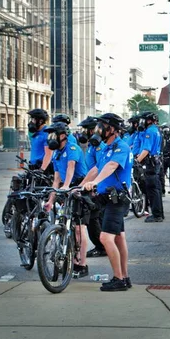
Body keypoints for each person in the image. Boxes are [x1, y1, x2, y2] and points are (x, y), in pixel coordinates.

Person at [83, 113, 133, 291]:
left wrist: (95, 183)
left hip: (117, 199)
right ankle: (125, 277)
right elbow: (97, 168)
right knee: (119, 238)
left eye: (102, 126)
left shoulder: (121, 147)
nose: (98, 130)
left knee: (105, 237)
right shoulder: (106, 147)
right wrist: (79, 186)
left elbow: (111, 167)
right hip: (108, 198)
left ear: (112, 129)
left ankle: (118, 279)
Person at [42, 122, 89, 278]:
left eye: (53, 134)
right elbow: (56, 179)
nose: (50, 138)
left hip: (79, 187)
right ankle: (68, 255)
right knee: (63, 221)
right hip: (65, 188)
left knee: (79, 228)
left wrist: (68, 185)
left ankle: (81, 264)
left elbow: (71, 168)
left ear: (62, 135)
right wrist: (50, 200)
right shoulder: (56, 153)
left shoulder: (72, 148)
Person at [77, 116, 107, 258]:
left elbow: (99, 167)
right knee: (95, 218)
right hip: (91, 184)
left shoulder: (99, 146)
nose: (83, 132)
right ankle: (102, 245)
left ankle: (101, 247)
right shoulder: (92, 145)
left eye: (86, 130)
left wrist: (91, 184)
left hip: (96, 186)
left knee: (94, 218)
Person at [135, 112, 164, 222]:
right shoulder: (155, 130)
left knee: (152, 189)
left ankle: (156, 215)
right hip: (154, 161)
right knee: (156, 188)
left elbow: (146, 149)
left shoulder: (150, 131)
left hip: (150, 162)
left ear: (149, 120)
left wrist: (137, 161)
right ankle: (159, 213)